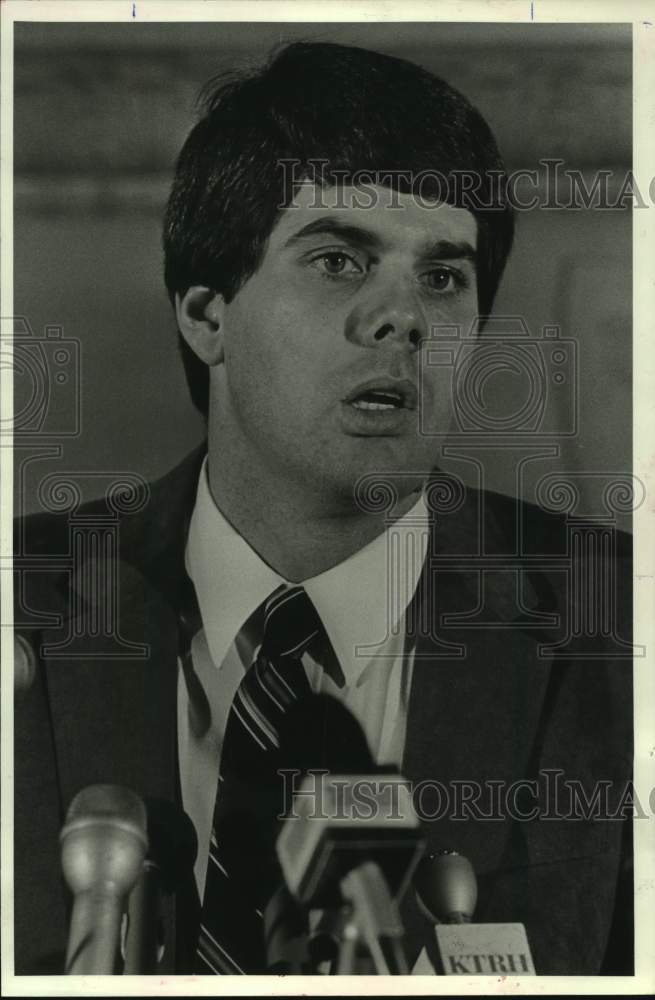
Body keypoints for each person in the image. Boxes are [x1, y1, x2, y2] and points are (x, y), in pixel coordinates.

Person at [13, 41, 633, 975]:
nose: (404, 319)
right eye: (340, 259)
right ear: (206, 315)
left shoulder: (623, 624)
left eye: (443, 277)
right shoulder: (25, 607)